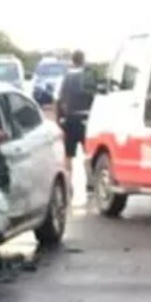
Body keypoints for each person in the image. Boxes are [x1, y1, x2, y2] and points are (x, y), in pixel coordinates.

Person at [55, 50, 94, 194]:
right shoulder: (89, 76)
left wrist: (59, 119)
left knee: (68, 154)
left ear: (72, 60)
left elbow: (58, 99)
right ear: (83, 60)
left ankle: (69, 184)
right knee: (89, 152)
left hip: (70, 118)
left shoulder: (65, 77)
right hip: (86, 118)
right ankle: (90, 182)